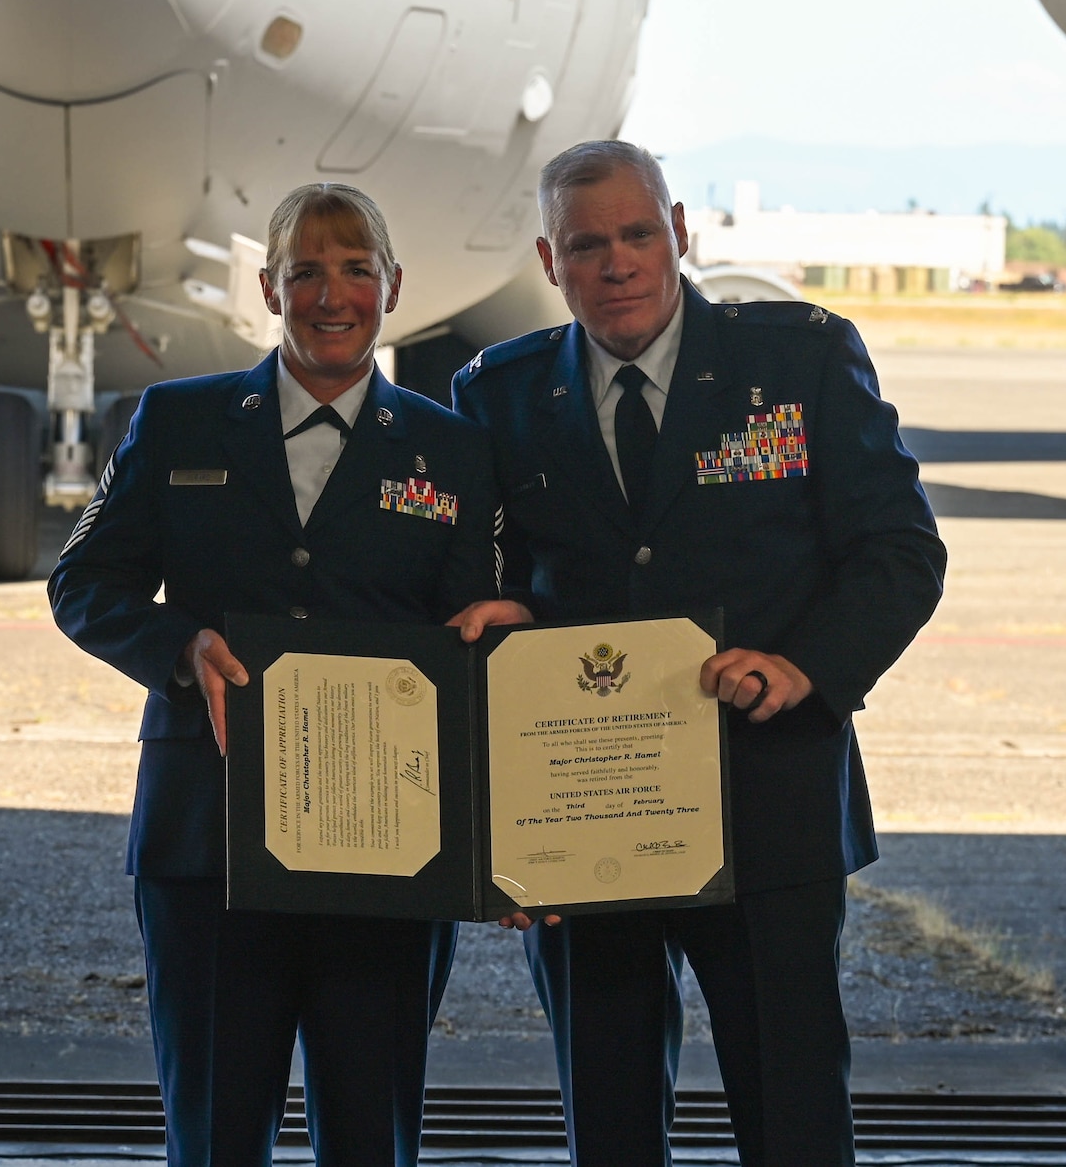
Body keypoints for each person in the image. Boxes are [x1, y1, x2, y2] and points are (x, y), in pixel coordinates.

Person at [448, 141, 946, 1166]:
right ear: (550, 260)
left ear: (679, 233)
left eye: (638, 234)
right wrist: (487, 609)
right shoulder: (493, 394)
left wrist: (805, 664)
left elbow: (898, 551)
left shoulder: (798, 359)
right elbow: (475, 578)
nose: (617, 263)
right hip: (581, 815)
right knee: (608, 1115)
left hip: (764, 800)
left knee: (792, 1106)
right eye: (587, 245)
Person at [50, 183, 502, 1167]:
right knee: (211, 1133)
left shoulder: (454, 450)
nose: (330, 295)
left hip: (388, 850)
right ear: (266, 285)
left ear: (392, 286)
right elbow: (82, 580)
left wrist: (492, 842)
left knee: (370, 1135)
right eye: (305, 271)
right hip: (204, 840)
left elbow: (473, 648)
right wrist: (176, 645)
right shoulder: (175, 422)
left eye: (354, 270)